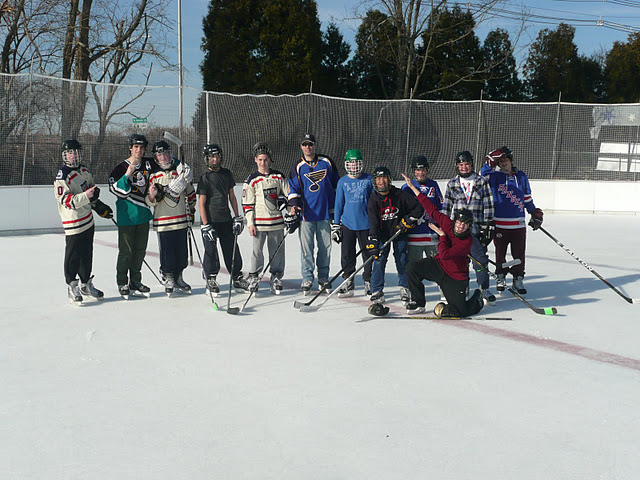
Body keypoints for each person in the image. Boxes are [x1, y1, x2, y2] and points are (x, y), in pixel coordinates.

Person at [403, 174, 485, 318]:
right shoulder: (448, 223)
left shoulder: (466, 241)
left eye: (464, 224)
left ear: (469, 226)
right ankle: (418, 303)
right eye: (458, 222)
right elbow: (431, 209)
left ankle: (476, 300)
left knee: (459, 312)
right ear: (455, 221)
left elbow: (445, 254)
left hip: (455, 276)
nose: (460, 226)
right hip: (438, 266)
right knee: (412, 268)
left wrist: (442, 236)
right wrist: (413, 188)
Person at [54, 139, 113, 304]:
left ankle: (86, 284)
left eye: (76, 152)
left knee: (87, 254)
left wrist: (98, 205)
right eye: (69, 153)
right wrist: (86, 196)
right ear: (65, 155)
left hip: (88, 220)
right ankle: (72, 285)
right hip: (73, 222)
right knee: (73, 255)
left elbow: (91, 191)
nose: (73, 155)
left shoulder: (84, 170)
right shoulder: (62, 176)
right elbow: (66, 200)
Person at [481, 146, 544, 295]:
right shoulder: (494, 176)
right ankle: (501, 277)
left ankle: (518, 278)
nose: (504, 163)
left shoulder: (521, 176)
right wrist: (489, 161)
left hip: (518, 224)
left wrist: (533, 212)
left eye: (506, 160)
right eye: (501, 161)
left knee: (519, 254)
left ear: (511, 161)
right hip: (499, 224)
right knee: (500, 254)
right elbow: (481, 176)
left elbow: (527, 197)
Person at [287, 133, 340, 295]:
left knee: (325, 248)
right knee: (307, 249)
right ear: (301, 146)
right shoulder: (298, 166)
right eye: (304, 144)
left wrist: (336, 208)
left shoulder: (326, 162)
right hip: (306, 216)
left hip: (325, 214)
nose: (307, 147)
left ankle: (323, 277)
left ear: (315, 145)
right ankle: (307, 277)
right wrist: (294, 206)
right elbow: (293, 188)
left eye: (310, 144)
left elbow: (336, 185)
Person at [442, 151, 496, 305]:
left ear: (471, 164)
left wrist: (488, 224)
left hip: (475, 230)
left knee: (480, 260)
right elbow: (447, 207)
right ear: (457, 166)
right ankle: (462, 287)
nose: (464, 167)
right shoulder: (452, 184)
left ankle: (484, 288)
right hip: (458, 231)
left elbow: (488, 203)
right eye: (461, 165)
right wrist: (445, 228)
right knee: (459, 261)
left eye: (466, 164)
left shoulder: (481, 181)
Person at [366, 165, 423, 305]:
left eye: (384, 178)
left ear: (389, 179)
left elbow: (418, 207)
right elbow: (373, 222)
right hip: (382, 236)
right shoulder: (373, 199)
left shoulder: (399, 194)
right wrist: (373, 239)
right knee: (378, 260)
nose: (382, 181)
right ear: (374, 181)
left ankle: (405, 287)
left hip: (399, 233)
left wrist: (408, 220)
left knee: (402, 260)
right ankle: (376, 290)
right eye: (379, 179)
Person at [196, 143, 249, 295]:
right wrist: (205, 224)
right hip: (211, 221)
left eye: (217, 156)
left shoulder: (227, 174)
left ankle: (237, 277)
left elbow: (232, 196)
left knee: (231, 248)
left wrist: (237, 216)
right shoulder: (205, 178)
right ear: (207, 159)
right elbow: (201, 203)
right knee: (211, 251)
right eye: (211, 157)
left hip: (226, 219)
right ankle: (211, 278)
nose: (215, 159)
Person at [108, 133, 155, 298]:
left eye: (142, 147)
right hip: (127, 216)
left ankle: (135, 281)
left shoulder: (148, 164)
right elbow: (115, 189)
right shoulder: (121, 168)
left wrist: (179, 166)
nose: (139, 150)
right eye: (136, 147)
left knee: (140, 251)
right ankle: (122, 282)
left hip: (143, 215)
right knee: (126, 252)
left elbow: (165, 162)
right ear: (130, 148)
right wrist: (127, 174)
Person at [146, 140, 196, 296]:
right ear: (156, 157)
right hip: (164, 222)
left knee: (181, 251)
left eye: (167, 153)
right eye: (160, 155)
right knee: (167, 251)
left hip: (181, 220)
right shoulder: (153, 175)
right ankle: (168, 276)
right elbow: (149, 200)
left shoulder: (179, 172)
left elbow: (190, 192)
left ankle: (179, 276)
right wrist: (152, 195)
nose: (164, 157)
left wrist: (192, 210)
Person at [241, 142, 289, 295]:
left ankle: (276, 276)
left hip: (276, 222)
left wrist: (290, 211)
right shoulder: (251, 180)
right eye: (260, 160)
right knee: (257, 252)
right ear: (255, 160)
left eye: (266, 159)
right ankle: (254, 277)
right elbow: (248, 204)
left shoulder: (278, 176)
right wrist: (250, 223)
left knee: (277, 252)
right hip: (259, 223)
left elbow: (288, 196)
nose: (263, 163)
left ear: (270, 160)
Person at [333, 148, 374, 297]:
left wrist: (376, 223)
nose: (354, 166)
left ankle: (368, 281)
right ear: (346, 164)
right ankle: (348, 281)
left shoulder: (369, 179)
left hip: (366, 225)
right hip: (348, 225)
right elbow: (339, 204)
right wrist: (336, 224)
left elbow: (374, 202)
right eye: (351, 163)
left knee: (368, 255)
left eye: (356, 163)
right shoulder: (342, 182)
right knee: (347, 255)